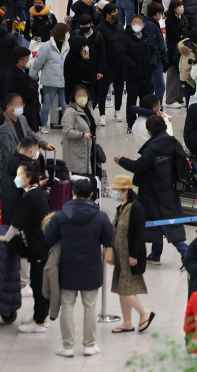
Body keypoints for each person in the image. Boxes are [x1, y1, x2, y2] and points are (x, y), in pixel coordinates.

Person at [44, 179, 115, 357]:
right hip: (91, 268)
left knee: (67, 306)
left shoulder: (60, 215)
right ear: (91, 195)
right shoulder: (101, 216)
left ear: (73, 193)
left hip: (67, 268)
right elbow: (109, 239)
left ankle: (67, 346)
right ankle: (89, 345)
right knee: (90, 307)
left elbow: (49, 238)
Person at [115, 115, 188, 264]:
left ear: (149, 131)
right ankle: (155, 255)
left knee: (165, 224)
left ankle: (187, 255)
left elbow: (138, 166)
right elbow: (184, 165)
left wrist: (121, 160)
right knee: (162, 223)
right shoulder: (174, 143)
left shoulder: (151, 149)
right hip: (170, 190)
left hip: (152, 193)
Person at [0, 162, 51, 333]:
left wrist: (5, 238)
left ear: (29, 178)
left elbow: (17, 222)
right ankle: (41, 316)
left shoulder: (30, 197)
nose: (17, 178)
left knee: (38, 285)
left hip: (38, 248)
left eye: (20, 175)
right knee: (41, 284)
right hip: (44, 245)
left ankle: (39, 323)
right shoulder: (42, 194)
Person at [107, 175, 154, 334]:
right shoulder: (121, 208)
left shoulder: (136, 207)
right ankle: (127, 322)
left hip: (129, 256)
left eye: (116, 190)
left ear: (125, 191)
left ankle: (144, 313)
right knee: (123, 290)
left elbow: (140, 233)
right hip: (120, 256)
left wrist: (134, 255)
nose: (114, 193)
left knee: (125, 290)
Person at [119, 15, 157, 132]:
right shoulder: (125, 37)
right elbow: (121, 54)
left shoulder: (148, 36)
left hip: (147, 75)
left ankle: (145, 123)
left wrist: (152, 63)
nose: (136, 25)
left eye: (138, 23)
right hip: (132, 76)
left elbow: (154, 51)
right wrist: (133, 65)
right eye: (134, 22)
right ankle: (131, 124)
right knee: (132, 100)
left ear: (143, 25)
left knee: (146, 100)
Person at [29, 23, 70, 133]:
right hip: (50, 82)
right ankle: (43, 125)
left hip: (64, 81)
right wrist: (33, 75)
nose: (68, 34)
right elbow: (38, 62)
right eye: (67, 32)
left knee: (66, 106)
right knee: (46, 105)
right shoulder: (47, 46)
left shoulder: (68, 45)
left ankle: (67, 125)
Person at [95, 3, 125, 123]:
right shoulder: (100, 28)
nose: (116, 14)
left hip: (119, 63)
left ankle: (117, 111)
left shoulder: (120, 27)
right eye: (114, 12)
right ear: (107, 15)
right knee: (103, 90)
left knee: (119, 88)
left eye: (117, 11)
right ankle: (102, 114)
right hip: (106, 63)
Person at [0, 95, 53, 160]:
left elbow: (30, 133)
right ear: (8, 107)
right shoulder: (3, 121)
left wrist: (44, 144)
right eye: (17, 104)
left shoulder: (22, 119)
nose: (20, 107)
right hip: (11, 159)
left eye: (21, 104)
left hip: (24, 157)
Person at [73, 15, 106, 115]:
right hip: (80, 70)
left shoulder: (98, 36)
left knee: (94, 94)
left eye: (86, 25)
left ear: (91, 24)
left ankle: (90, 111)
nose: (84, 27)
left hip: (94, 70)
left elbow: (102, 55)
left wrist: (100, 71)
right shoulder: (76, 35)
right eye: (82, 25)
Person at [62, 84, 96, 175]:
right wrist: (82, 134)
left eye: (84, 95)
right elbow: (67, 132)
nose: (82, 98)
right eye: (79, 95)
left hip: (89, 151)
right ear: (74, 97)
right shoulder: (70, 111)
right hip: (77, 154)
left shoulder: (88, 109)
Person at [5, 47, 40, 132]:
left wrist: (32, 83)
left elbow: (31, 81)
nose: (29, 60)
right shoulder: (17, 76)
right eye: (27, 58)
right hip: (24, 112)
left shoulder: (19, 71)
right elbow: (32, 93)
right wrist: (34, 84)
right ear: (20, 62)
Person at [144, 2, 169, 109]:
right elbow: (155, 44)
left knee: (153, 86)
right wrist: (161, 58)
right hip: (154, 61)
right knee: (160, 86)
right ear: (158, 13)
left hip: (152, 60)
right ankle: (157, 109)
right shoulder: (151, 25)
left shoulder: (149, 23)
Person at [164, 0, 188, 108]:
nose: (182, 7)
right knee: (173, 76)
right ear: (174, 8)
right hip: (173, 50)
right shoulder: (170, 20)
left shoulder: (183, 18)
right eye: (179, 5)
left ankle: (179, 97)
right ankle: (170, 99)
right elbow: (175, 35)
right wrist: (184, 36)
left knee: (182, 75)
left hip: (183, 49)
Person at [179, 27, 197, 102]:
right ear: (196, 38)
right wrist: (194, 85)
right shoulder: (190, 53)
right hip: (189, 84)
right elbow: (186, 72)